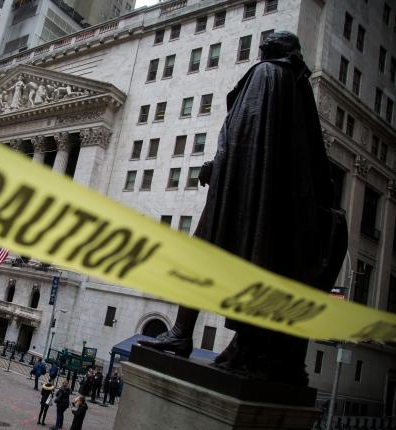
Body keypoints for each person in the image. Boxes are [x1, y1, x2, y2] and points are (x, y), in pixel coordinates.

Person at [139, 31, 347, 387]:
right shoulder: (293, 84)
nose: (261, 45)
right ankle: (185, 333)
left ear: (274, 50)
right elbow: (262, 142)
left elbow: (242, 136)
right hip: (251, 196)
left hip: (240, 198)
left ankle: (182, 333)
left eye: (266, 43)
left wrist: (220, 167)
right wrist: (221, 165)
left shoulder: (268, 74)